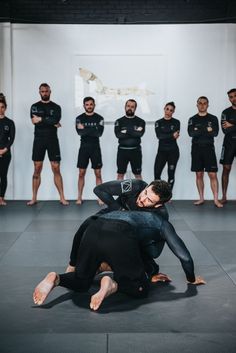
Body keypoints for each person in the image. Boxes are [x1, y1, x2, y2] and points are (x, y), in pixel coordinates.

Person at [33, 209, 206, 310]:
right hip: (119, 236)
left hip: (93, 229)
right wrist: (191, 279)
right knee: (140, 289)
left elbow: (83, 227)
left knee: (82, 281)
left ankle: (56, 279)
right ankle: (112, 284)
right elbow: (184, 257)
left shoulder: (119, 210)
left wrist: (73, 262)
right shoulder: (160, 223)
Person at [66, 179, 169, 276]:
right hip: (113, 213)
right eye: (145, 192)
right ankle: (72, 265)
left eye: (149, 200)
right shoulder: (135, 186)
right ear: (146, 187)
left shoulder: (160, 215)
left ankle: (106, 266)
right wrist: (119, 210)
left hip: (131, 231)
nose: (142, 199)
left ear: (158, 205)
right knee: (87, 225)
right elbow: (99, 189)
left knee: (149, 267)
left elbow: (155, 252)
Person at [27, 83, 68, 206]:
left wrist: (42, 119)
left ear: (50, 92)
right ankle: (34, 198)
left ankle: (62, 197)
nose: (44, 93)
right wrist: (50, 121)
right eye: (42, 91)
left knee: (56, 167)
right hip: (39, 140)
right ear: (39, 92)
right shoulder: (34, 106)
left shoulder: (56, 107)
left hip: (52, 140)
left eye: (46, 91)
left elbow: (55, 120)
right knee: (37, 168)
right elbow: (35, 121)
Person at [188, 96, 222, 208]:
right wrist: (206, 130)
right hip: (196, 149)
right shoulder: (192, 119)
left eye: (204, 103)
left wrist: (199, 129)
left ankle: (216, 200)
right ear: (196, 104)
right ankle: (201, 198)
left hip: (209, 148)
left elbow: (215, 133)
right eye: (200, 103)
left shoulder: (213, 118)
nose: (202, 105)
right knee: (199, 174)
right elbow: (191, 133)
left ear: (208, 105)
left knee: (212, 174)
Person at [75, 97, 104, 205]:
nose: (89, 106)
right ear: (84, 106)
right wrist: (93, 129)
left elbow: (99, 133)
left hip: (95, 148)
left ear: (94, 105)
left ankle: (100, 198)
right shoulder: (79, 118)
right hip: (84, 148)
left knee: (98, 173)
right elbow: (80, 132)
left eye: (91, 104)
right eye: (87, 104)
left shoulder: (99, 118)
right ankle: (79, 197)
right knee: (81, 173)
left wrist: (85, 129)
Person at [114, 99, 145, 180]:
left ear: (135, 108)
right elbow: (118, 135)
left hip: (136, 152)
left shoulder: (141, 121)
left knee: (138, 175)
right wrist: (134, 131)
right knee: (120, 175)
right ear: (125, 107)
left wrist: (125, 131)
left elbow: (139, 134)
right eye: (128, 106)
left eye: (132, 107)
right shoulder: (119, 121)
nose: (130, 108)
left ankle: (140, 193)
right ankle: (120, 193)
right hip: (122, 151)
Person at [154, 102, 180, 191]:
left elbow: (173, 136)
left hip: (173, 152)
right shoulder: (158, 122)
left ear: (173, 112)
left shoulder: (176, 122)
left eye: (171, 110)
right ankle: (158, 194)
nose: (168, 111)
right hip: (161, 152)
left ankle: (168, 195)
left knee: (171, 174)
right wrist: (171, 135)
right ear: (164, 108)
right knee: (157, 173)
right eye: (167, 109)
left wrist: (166, 135)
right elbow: (159, 136)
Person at [220, 88, 236, 203]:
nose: (233, 98)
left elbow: (230, 128)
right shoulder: (226, 112)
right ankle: (224, 196)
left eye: (235, 96)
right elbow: (225, 131)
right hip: (229, 143)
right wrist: (229, 126)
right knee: (226, 168)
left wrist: (232, 125)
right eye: (231, 97)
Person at [0, 94, 15, 206]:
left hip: (5, 153)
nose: (0, 109)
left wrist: (4, 150)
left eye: (2, 107)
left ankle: (1, 198)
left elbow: (12, 138)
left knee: (3, 175)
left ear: (5, 108)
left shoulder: (9, 122)